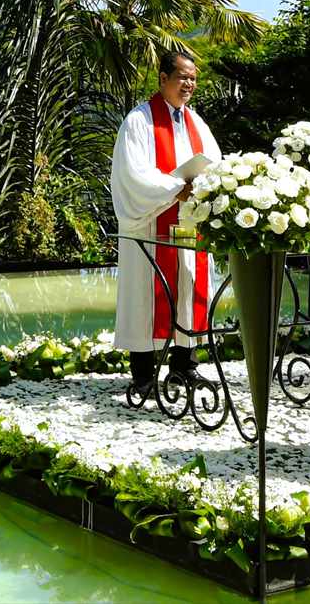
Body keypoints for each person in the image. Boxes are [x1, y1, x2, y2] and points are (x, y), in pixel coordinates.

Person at [110, 50, 221, 397]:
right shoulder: (139, 121)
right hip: (151, 224)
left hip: (188, 224)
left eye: (193, 79)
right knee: (146, 296)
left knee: (189, 287)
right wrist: (178, 187)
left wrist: (204, 185)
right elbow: (134, 175)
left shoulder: (196, 123)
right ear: (162, 78)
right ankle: (143, 376)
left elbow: (214, 162)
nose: (189, 84)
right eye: (182, 77)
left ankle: (184, 368)